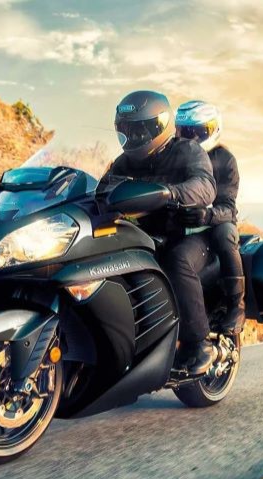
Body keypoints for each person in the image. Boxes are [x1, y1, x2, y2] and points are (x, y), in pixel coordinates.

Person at [100, 90, 218, 376]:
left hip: (191, 234)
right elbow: (103, 189)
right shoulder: (125, 162)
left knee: (177, 261)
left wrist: (171, 193)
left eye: (138, 130)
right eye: (126, 131)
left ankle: (199, 344)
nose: (132, 137)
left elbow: (205, 186)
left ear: (157, 126)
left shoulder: (188, 151)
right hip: (148, 235)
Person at [173, 100, 245, 336]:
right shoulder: (174, 156)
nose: (192, 139)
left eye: (199, 132)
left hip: (211, 228)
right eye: (185, 132)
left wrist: (207, 215)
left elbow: (228, 208)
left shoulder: (224, 160)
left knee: (226, 233)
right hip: (178, 226)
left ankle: (236, 306)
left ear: (213, 130)